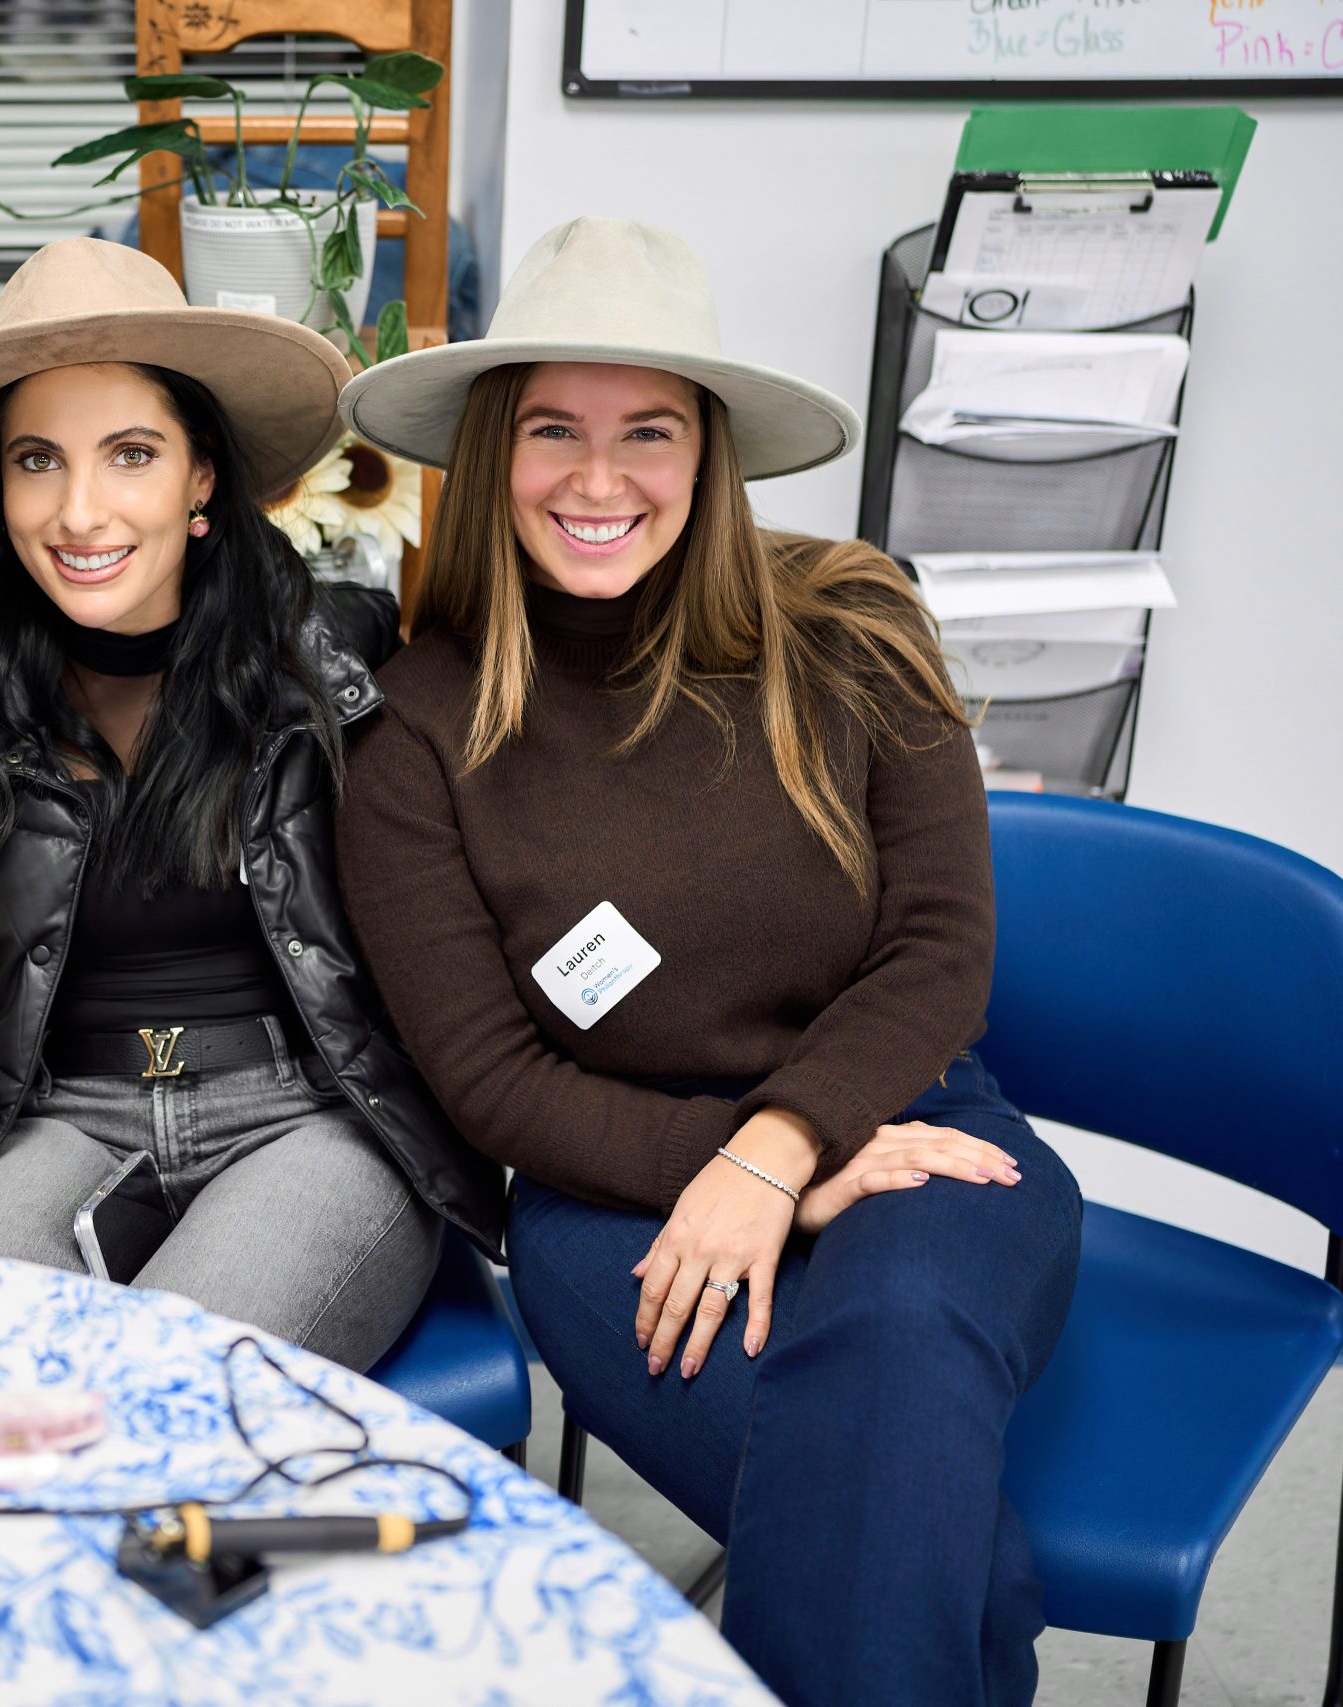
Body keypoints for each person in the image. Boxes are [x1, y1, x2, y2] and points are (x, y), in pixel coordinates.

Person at [332, 217, 1083, 1705]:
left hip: (911, 1127)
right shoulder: (416, 729)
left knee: (896, 1366)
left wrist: (782, 1149)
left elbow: (939, 950)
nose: (597, 479)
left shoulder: (854, 622)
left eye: (648, 432)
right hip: (612, 1197)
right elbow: (489, 1079)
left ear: (710, 454)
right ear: (493, 452)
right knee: (952, 1560)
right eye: (553, 430)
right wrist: (733, 1167)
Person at [0, 239, 503, 1370]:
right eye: (36, 459)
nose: (80, 510)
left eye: (131, 454)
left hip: (310, 1116)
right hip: (55, 1116)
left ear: (201, 476)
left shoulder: (339, 656)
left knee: (166, 1390)